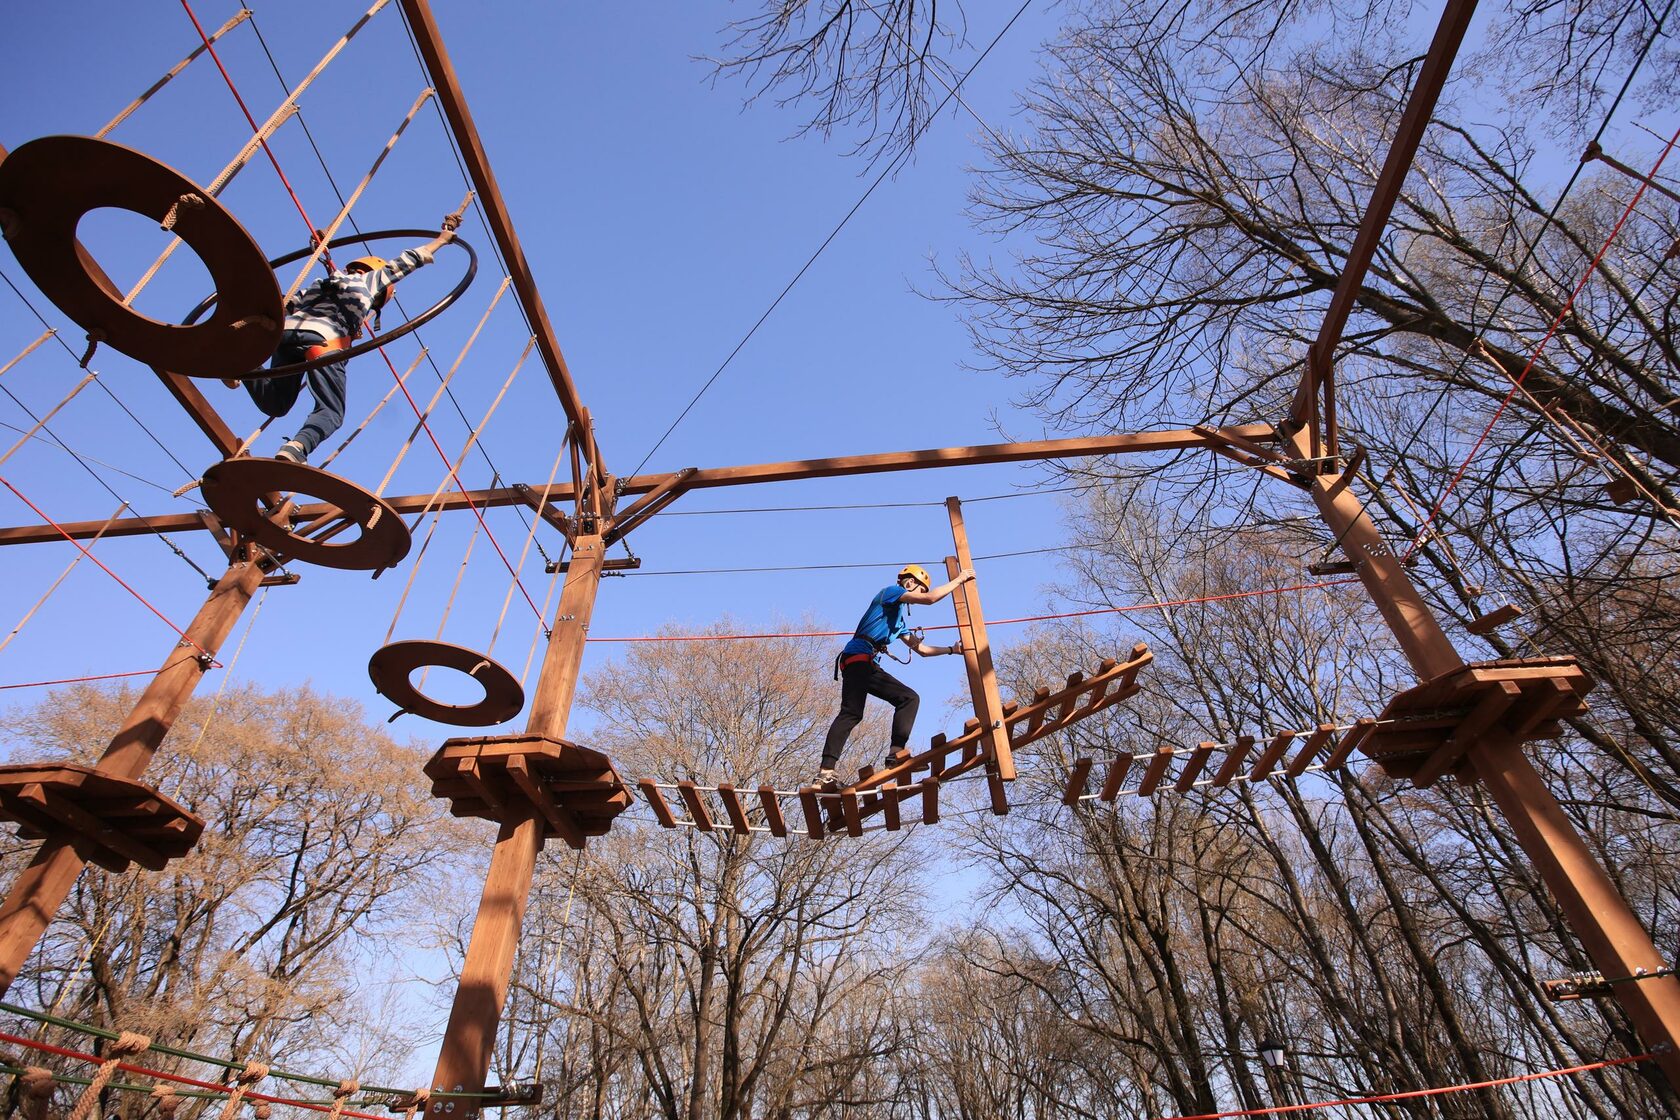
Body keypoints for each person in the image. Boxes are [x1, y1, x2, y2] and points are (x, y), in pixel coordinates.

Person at [232, 219, 459, 464]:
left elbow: (284, 306)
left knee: (277, 404)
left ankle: (242, 365)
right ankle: (297, 447)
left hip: (285, 337)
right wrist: (441, 241)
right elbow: (408, 261)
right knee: (332, 412)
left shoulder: (325, 283)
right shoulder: (369, 281)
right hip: (323, 341)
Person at [818, 563, 975, 788]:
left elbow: (921, 650)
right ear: (909, 582)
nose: (917, 596)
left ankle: (895, 754)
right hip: (857, 658)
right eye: (918, 590)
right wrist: (959, 579)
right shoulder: (890, 593)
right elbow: (930, 599)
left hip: (868, 664)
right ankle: (825, 772)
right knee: (852, 713)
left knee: (909, 698)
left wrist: (952, 650)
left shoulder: (899, 622)